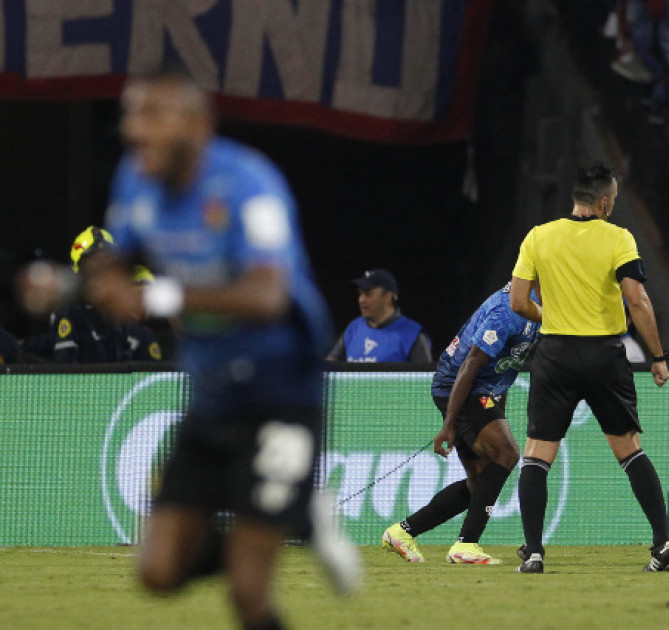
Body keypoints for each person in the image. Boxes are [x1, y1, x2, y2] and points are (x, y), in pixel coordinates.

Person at [22, 66, 360, 629]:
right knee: (157, 571)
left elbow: (268, 293)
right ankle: (298, 521)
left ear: (198, 124)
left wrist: (156, 298)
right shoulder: (135, 180)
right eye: (132, 114)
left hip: (282, 394)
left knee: (249, 593)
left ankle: (296, 519)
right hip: (212, 398)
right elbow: (118, 262)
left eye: (153, 113)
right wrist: (66, 283)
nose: (135, 128)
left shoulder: (250, 183)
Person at [509, 162, 669, 574]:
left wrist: (549, 316)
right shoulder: (618, 238)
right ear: (604, 202)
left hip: (555, 355)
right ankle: (664, 545)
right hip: (605, 355)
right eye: (615, 200)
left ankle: (533, 553)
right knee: (629, 449)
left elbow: (517, 302)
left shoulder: (539, 237)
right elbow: (638, 302)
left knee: (537, 454)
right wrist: (657, 356)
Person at [382, 281, 540, 565]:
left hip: (480, 391)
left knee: (479, 482)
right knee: (507, 454)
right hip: (460, 387)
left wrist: (497, 411)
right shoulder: (508, 311)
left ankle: (402, 532)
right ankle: (466, 545)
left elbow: (502, 365)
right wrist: (449, 425)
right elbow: (470, 364)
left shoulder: (536, 305)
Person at [51, 226, 162, 363]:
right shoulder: (71, 315)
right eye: (94, 264)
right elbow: (67, 375)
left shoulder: (125, 319)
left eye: (107, 264)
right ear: (80, 271)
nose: (102, 272)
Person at [326, 268, 432, 363]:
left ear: (388, 297)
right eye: (360, 294)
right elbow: (330, 365)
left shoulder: (413, 334)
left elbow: (427, 379)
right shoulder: (353, 328)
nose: (361, 299)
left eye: (368, 294)